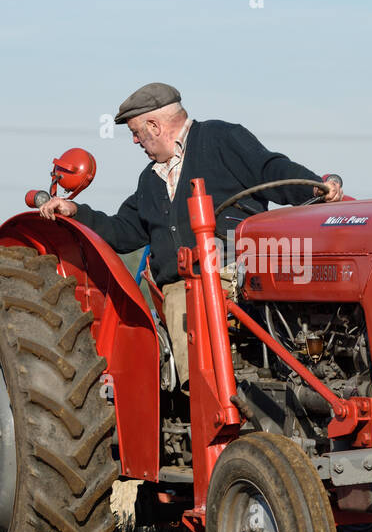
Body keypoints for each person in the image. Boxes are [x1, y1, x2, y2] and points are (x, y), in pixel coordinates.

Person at [36, 82, 343, 385]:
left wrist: (314, 186)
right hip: (185, 286)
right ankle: (203, 396)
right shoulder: (150, 180)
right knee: (186, 299)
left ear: (154, 125)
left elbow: (271, 169)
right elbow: (123, 232)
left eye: (135, 131)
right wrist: (78, 212)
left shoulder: (221, 139)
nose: (134, 141)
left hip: (237, 270)